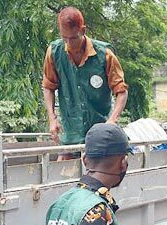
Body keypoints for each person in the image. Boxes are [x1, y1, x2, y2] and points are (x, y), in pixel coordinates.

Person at [42, 6, 128, 160]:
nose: (68, 43)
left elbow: (121, 91)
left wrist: (112, 120)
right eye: (64, 38)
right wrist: (52, 118)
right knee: (64, 174)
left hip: (99, 133)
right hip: (70, 133)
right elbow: (48, 87)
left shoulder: (105, 55)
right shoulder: (54, 52)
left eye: (73, 38)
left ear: (83, 30)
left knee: (97, 175)